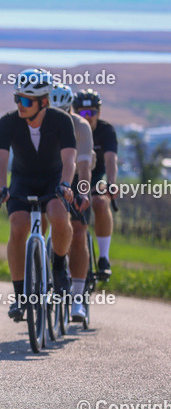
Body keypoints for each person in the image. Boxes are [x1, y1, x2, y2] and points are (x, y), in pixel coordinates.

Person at [0, 69, 83, 321]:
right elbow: (0, 160)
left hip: (54, 178)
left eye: (26, 100)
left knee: (57, 214)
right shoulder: (7, 122)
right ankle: (20, 295)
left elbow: (70, 158)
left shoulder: (61, 121)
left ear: (44, 102)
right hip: (22, 179)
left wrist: (66, 184)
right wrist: (1, 186)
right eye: (17, 99)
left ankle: (58, 266)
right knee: (18, 225)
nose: (19, 105)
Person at [49, 82, 94, 321]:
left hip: (78, 176)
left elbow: (85, 165)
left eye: (63, 112)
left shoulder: (81, 126)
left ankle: (78, 300)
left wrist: (83, 193)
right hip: (50, 174)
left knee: (77, 233)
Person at [74, 88, 118, 283]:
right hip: (74, 178)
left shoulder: (106, 130)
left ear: (98, 113)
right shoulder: (70, 128)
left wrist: (111, 184)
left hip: (96, 177)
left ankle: (103, 258)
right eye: (82, 113)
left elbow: (111, 160)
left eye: (91, 112)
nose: (87, 117)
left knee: (100, 203)